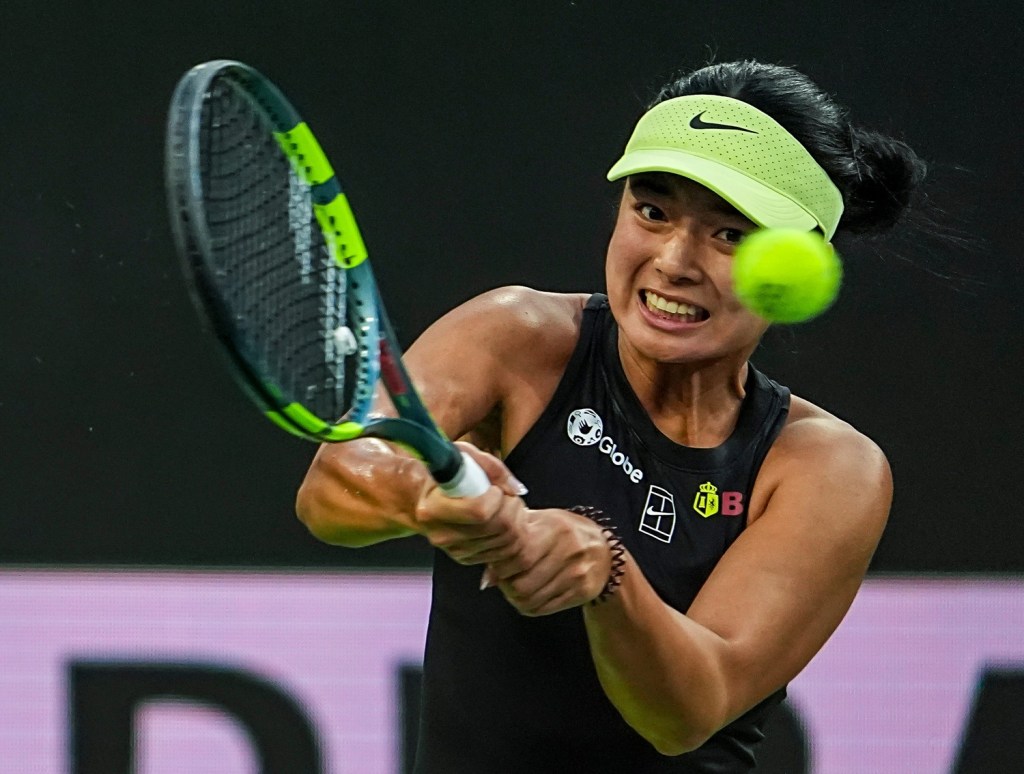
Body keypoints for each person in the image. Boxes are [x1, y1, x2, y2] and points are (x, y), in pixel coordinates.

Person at [296, 59, 927, 772]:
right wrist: (429, 494)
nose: (674, 261)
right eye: (651, 211)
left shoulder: (825, 468)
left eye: (729, 234)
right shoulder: (517, 336)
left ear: (795, 268)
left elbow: (686, 711)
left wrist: (605, 572)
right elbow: (332, 489)